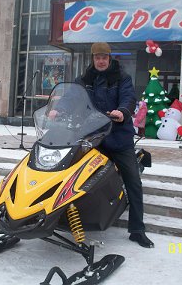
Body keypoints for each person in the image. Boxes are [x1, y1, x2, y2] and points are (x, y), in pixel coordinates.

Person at [51, 42, 154, 248]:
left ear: (109, 58)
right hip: (93, 137)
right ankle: (66, 217)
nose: (100, 61)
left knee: (132, 181)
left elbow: (128, 98)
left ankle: (137, 229)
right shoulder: (85, 79)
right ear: (93, 59)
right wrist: (58, 109)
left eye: (104, 57)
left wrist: (122, 111)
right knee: (73, 173)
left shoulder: (122, 78)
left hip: (118, 138)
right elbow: (72, 96)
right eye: (97, 57)